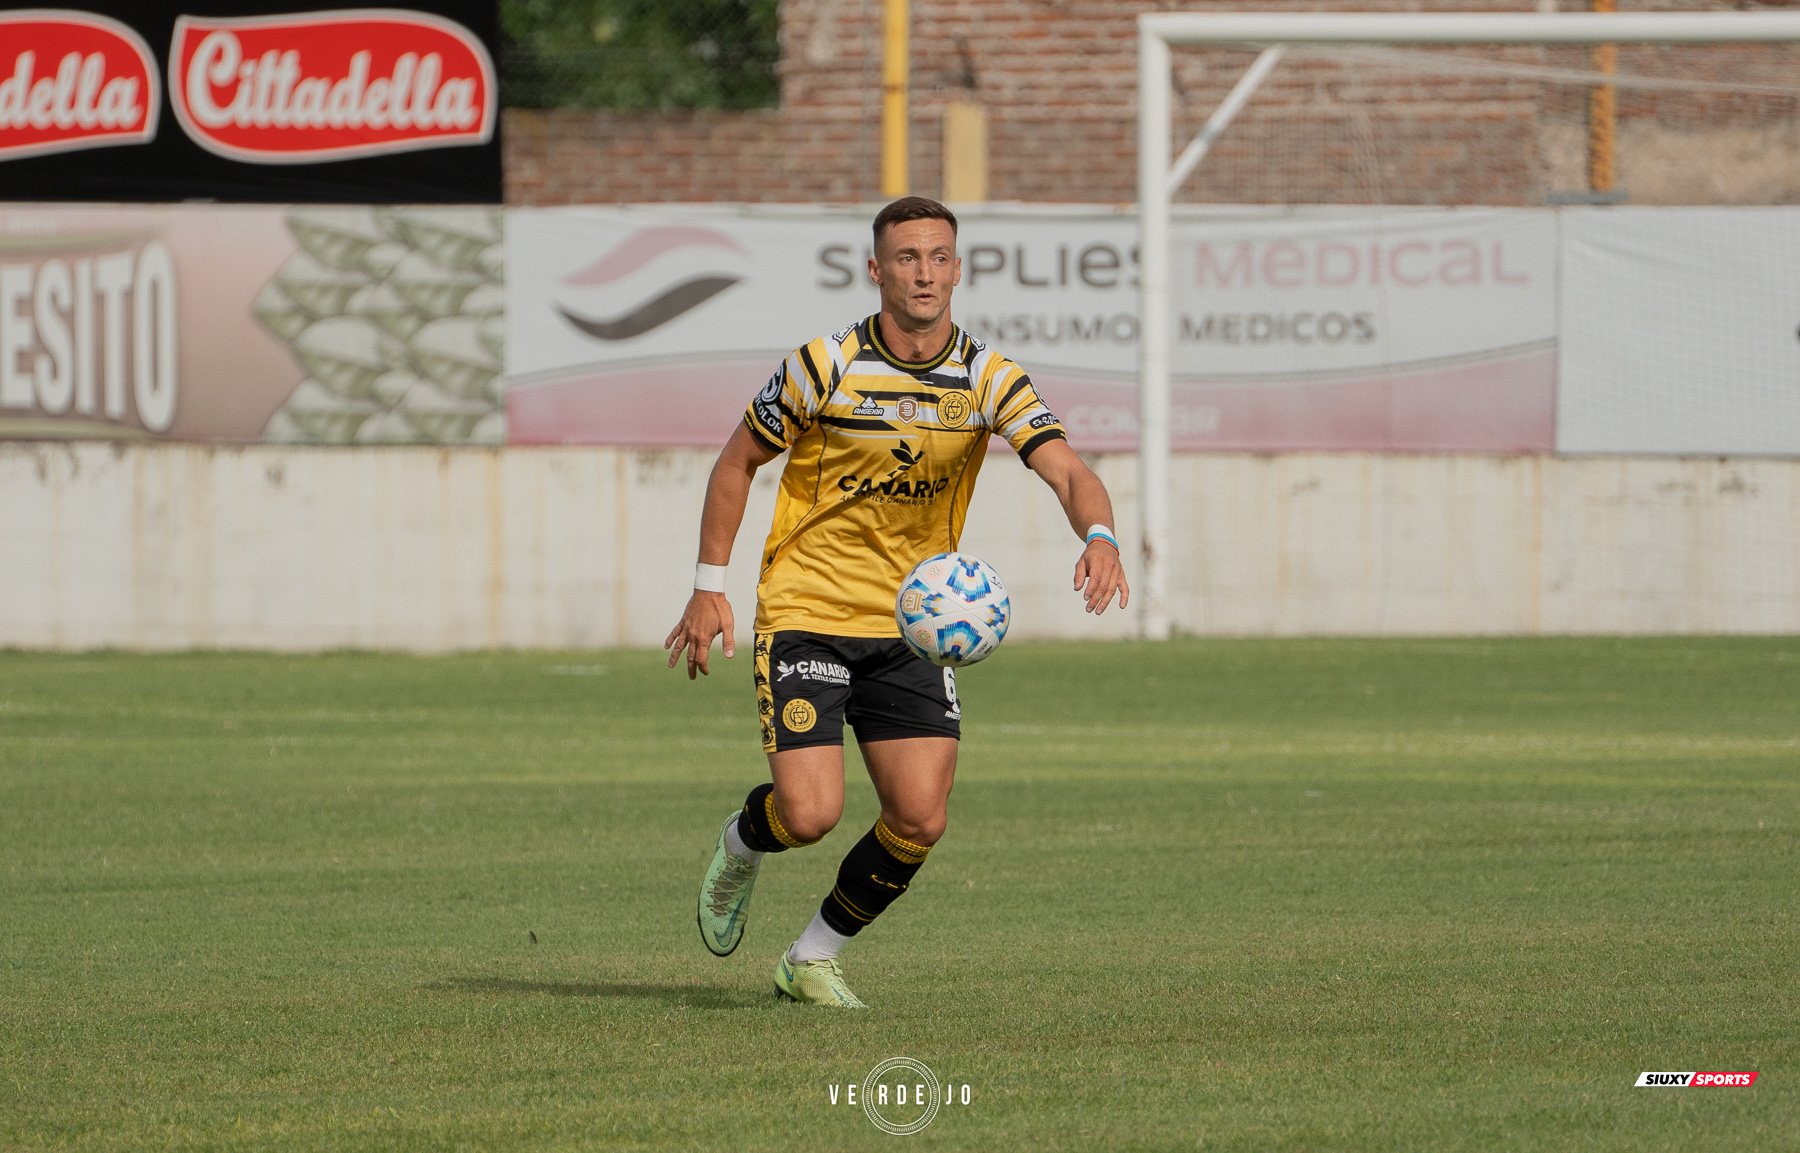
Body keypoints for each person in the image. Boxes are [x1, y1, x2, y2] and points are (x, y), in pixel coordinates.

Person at [664, 196, 1129, 1008]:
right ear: (876, 270)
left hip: (913, 627)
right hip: (809, 608)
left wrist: (1100, 535)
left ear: (958, 267)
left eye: (938, 256)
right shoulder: (825, 365)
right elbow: (736, 462)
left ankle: (809, 957)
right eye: (907, 257)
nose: (924, 271)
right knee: (808, 813)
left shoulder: (987, 376)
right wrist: (710, 588)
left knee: (918, 817)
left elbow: (1065, 468)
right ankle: (743, 841)